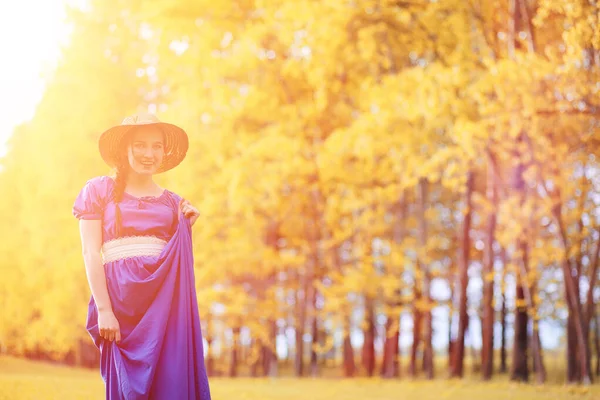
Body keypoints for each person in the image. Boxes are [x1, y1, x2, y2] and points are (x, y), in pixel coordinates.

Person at [73, 113, 212, 399]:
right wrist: (104, 309)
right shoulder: (98, 191)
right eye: (140, 145)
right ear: (125, 148)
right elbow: (90, 251)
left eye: (157, 146)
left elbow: (177, 267)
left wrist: (186, 228)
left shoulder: (174, 203)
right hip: (120, 304)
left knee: (169, 383)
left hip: (164, 308)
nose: (149, 153)